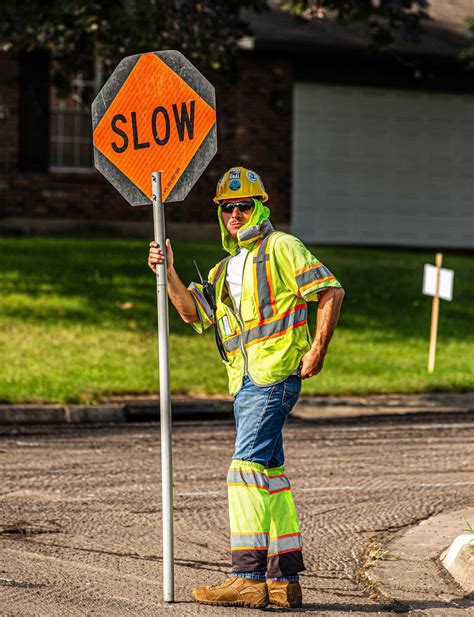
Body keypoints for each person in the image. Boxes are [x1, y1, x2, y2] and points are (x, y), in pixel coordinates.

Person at [148, 166, 344, 609]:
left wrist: (317, 350)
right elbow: (190, 313)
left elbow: (331, 291)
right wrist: (169, 272)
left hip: (273, 377)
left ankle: (247, 576)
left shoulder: (282, 246)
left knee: (245, 469)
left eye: (243, 205)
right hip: (245, 384)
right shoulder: (222, 271)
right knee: (270, 476)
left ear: (260, 207)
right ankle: (282, 579)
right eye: (226, 207)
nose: (235, 213)